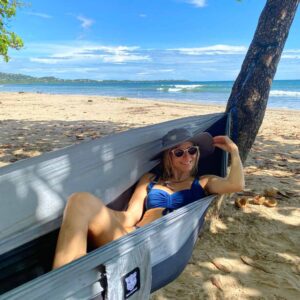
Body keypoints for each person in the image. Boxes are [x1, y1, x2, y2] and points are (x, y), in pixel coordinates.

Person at [52, 128, 244, 269]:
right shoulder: (150, 180)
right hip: (132, 236)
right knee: (79, 200)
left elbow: (236, 184)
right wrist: (99, 214)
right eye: (179, 152)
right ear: (168, 157)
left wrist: (234, 150)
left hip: (156, 246)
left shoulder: (203, 182)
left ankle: (69, 281)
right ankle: (68, 281)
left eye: (192, 150)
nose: (187, 157)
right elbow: (130, 216)